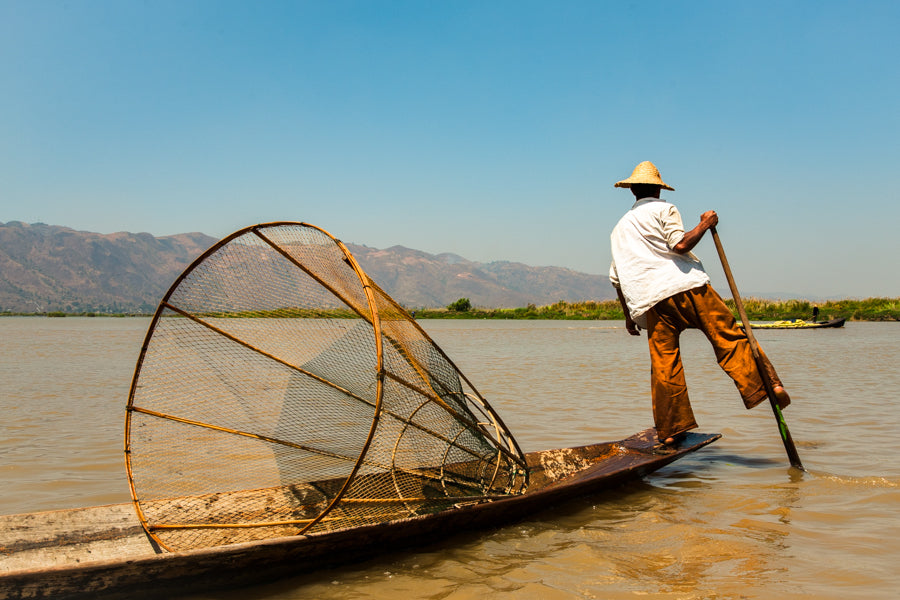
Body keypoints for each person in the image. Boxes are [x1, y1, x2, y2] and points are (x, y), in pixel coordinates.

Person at [608, 161, 790, 446]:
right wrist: (706, 223)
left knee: (664, 365)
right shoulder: (663, 208)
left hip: (650, 302)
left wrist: (629, 317)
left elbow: (616, 278)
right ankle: (767, 386)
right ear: (657, 188)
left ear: (631, 189)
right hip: (687, 288)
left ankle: (671, 430)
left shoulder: (619, 230)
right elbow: (679, 246)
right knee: (728, 337)